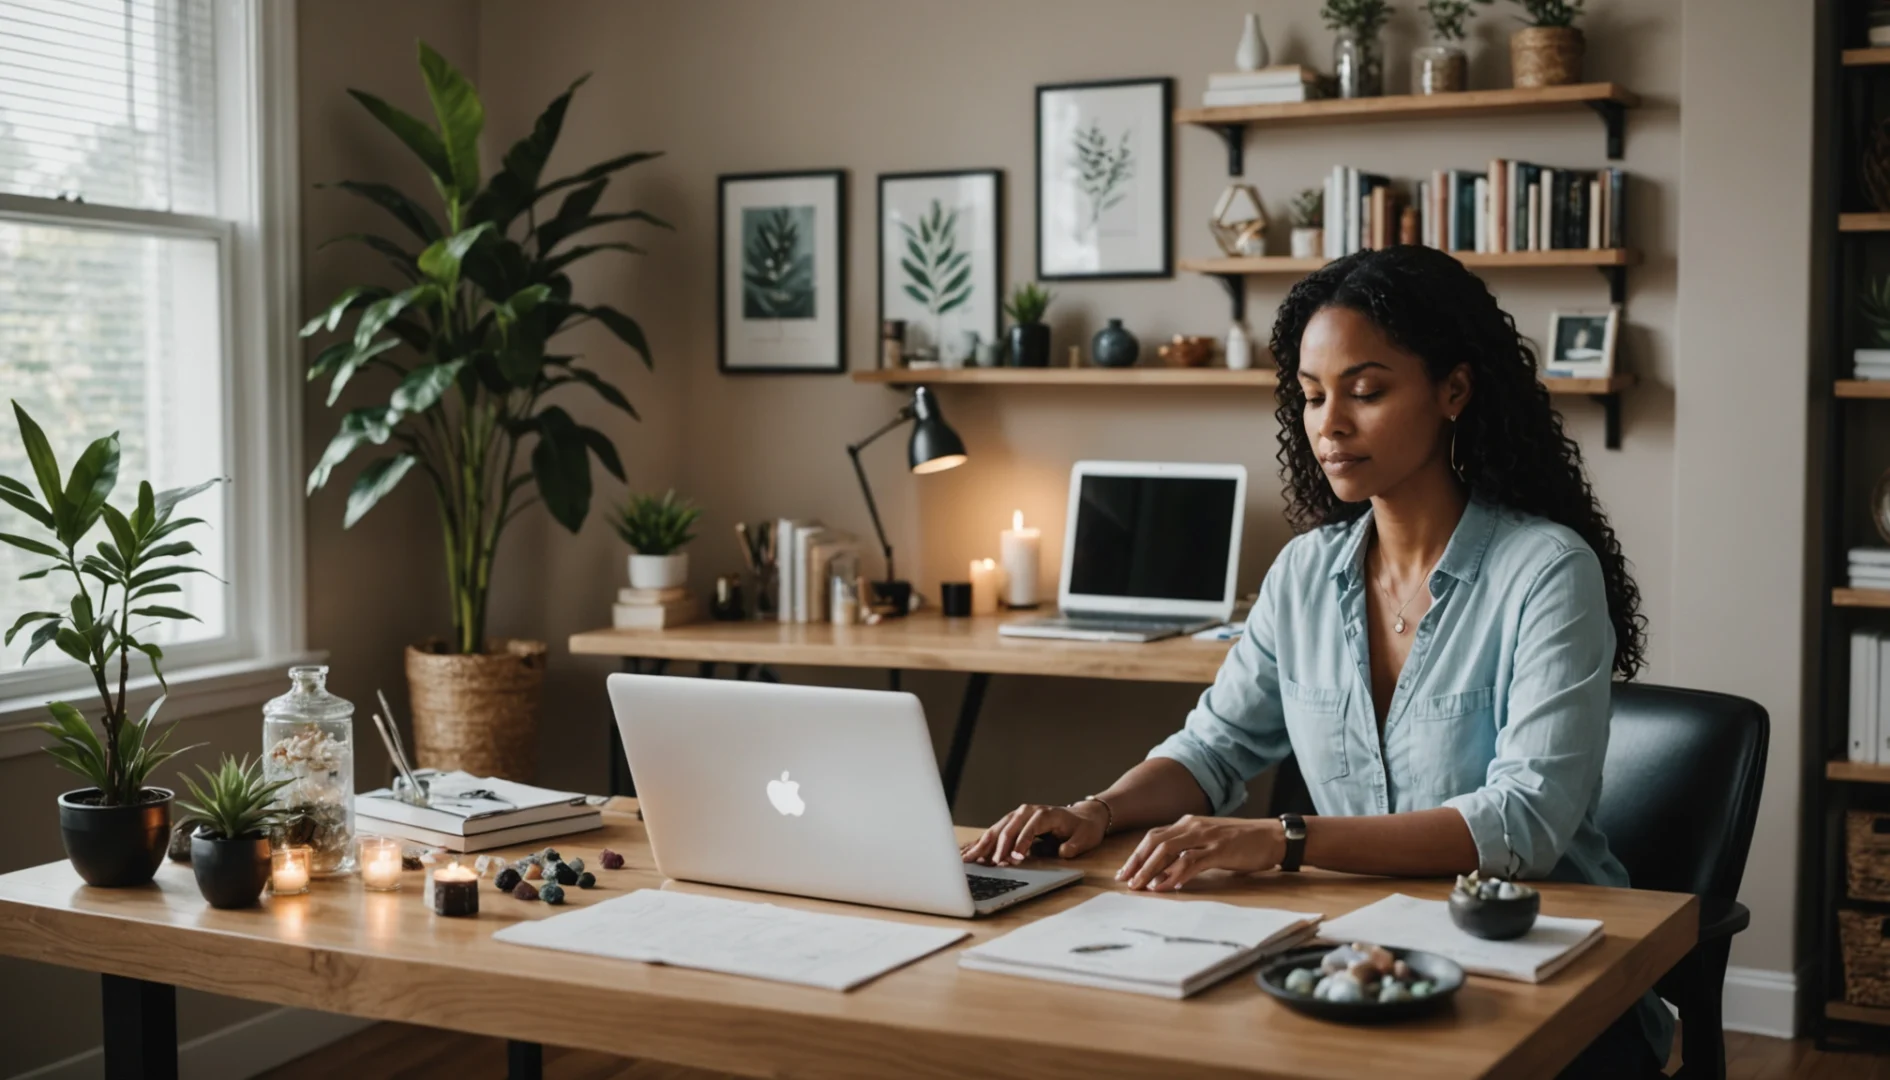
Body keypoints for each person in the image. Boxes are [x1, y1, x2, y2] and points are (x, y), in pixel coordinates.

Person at [960, 245, 1662, 1078]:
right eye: (1312, 395)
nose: (1330, 424)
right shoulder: (1304, 573)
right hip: (1361, 957)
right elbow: (1215, 749)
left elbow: (1525, 825)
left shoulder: (1546, 571)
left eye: (1366, 392)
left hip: (1545, 974)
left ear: (1454, 391)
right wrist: (1098, 812)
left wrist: (1282, 838)